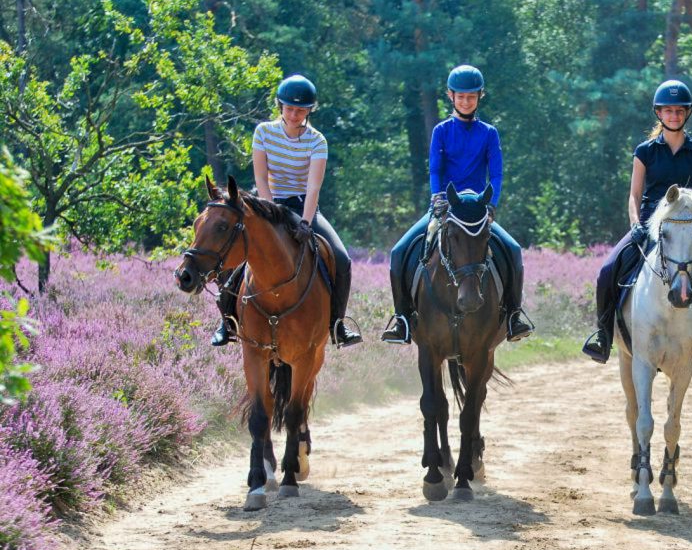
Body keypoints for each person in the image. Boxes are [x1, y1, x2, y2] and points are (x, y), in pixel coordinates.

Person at [581, 79, 692, 376]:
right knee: (607, 270)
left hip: (686, 230)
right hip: (648, 227)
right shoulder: (645, 151)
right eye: (668, 111)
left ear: (687, 114)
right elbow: (634, 194)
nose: (674, 116)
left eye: (679, 111)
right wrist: (636, 224)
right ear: (659, 114)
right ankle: (603, 338)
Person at [380, 64, 533, 344]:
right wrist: (438, 198)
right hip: (446, 210)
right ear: (450, 96)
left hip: (476, 213)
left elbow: (496, 173)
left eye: (471, 97)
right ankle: (402, 319)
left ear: (479, 97)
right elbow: (436, 170)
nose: (466, 101)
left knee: (512, 250)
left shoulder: (489, 133)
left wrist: (491, 205)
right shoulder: (441, 131)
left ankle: (513, 315)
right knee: (399, 252)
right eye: (460, 96)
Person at [211, 74, 362, 348]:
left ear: (309, 111)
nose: (294, 114)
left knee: (342, 259)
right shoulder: (264, 132)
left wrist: (305, 222)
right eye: (289, 108)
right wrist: (269, 211)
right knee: (230, 247)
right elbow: (260, 178)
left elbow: (314, 187)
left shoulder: (317, 141)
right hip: (265, 203)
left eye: (301, 109)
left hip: (302, 205)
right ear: (279, 106)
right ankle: (227, 321)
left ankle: (337, 325)